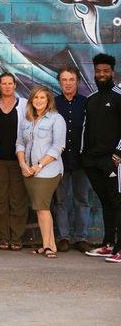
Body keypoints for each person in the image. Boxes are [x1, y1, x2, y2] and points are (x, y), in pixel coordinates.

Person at [16, 86, 66, 259]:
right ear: (31, 100)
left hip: (48, 171)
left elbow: (58, 147)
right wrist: (23, 164)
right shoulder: (27, 120)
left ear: (48, 100)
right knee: (40, 209)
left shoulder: (56, 119)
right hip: (28, 171)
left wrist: (38, 166)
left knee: (42, 208)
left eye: (42, 98)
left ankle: (49, 246)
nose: (38, 101)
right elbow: (20, 143)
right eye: (35, 98)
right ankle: (49, 244)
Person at [82, 53, 121, 263]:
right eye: (98, 71)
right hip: (92, 161)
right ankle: (108, 244)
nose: (102, 74)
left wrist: (119, 153)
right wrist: (84, 155)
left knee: (118, 202)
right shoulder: (91, 99)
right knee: (105, 202)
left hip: (113, 160)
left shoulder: (119, 96)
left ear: (112, 72)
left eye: (106, 71)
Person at [53, 66, 91, 253]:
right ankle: (63, 237)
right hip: (59, 161)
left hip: (82, 161)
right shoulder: (53, 103)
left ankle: (81, 237)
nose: (68, 83)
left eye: (71, 79)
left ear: (77, 81)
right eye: (64, 80)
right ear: (59, 82)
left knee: (82, 199)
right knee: (61, 200)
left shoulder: (86, 103)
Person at [0, 72, 28, 251]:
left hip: (19, 161)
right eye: (3, 83)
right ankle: (2, 237)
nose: (6, 86)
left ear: (15, 86)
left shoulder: (25, 105)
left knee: (18, 200)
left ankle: (17, 238)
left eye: (10, 83)